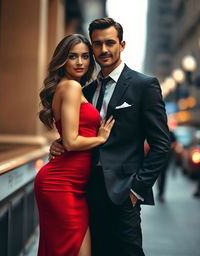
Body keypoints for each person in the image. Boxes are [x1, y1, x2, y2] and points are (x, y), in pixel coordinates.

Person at [50, 18, 171, 256]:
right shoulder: (84, 89)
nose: (103, 50)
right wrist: (60, 142)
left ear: (122, 45)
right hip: (85, 189)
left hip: (123, 192)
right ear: (92, 47)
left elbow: (161, 144)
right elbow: (77, 133)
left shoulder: (143, 85)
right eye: (97, 44)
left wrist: (136, 189)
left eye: (109, 43)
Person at [34, 34, 115, 256]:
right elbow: (71, 141)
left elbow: (68, 135)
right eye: (72, 56)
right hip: (61, 184)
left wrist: (58, 141)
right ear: (63, 60)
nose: (80, 62)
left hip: (74, 186)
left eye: (85, 56)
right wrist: (100, 138)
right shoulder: (70, 87)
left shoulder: (74, 87)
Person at [157, 130, 177, 202]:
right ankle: (160, 191)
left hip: (166, 157)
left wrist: (169, 147)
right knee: (159, 175)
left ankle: (161, 192)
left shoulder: (170, 133)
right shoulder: (159, 131)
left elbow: (174, 143)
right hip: (158, 157)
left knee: (163, 175)